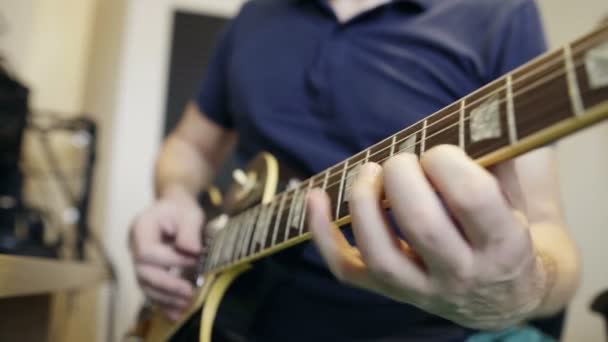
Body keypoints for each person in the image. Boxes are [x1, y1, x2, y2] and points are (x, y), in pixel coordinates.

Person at [129, 0, 581, 340]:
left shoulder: (498, 11)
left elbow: (548, 230)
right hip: (235, 317)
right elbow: (189, 146)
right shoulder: (256, 13)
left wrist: (522, 290)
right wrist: (173, 195)